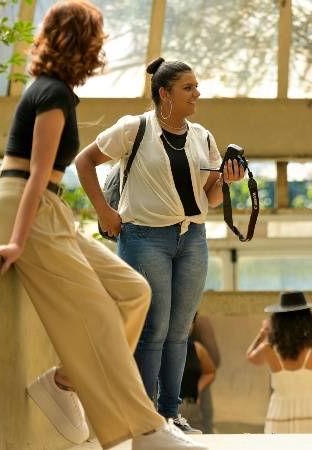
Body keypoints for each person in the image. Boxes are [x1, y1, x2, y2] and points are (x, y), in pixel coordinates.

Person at [0, 2, 205, 448]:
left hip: (46, 209)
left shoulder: (54, 90)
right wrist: (17, 242)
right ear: (82, 43)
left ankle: (63, 381)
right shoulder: (52, 93)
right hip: (27, 208)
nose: (101, 48)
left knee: (133, 292)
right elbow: (36, 173)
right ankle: (145, 430)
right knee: (99, 313)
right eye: (97, 39)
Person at [75, 57, 245, 433]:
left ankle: (170, 415)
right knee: (153, 329)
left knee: (179, 331)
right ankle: (144, 418)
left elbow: (211, 198)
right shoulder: (133, 128)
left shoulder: (203, 136)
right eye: (188, 88)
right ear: (164, 94)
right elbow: (84, 161)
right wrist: (104, 211)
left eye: (196, 87)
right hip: (144, 237)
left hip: (193, 238)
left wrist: (226, 181)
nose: (197, 93)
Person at [245, 291, 312, 434]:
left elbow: (250, 357)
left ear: (277, 321)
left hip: (280, 414)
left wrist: (261, 335)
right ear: (306, 320)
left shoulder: (268, 348)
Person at [178, 314, 217, 433]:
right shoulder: (159, 349)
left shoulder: (197, 348)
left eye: (190, 322)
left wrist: (198, 388)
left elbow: (210, 371)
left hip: (192, 409)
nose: (187, 326)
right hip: (167, 411)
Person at [190, 313, 221, 434]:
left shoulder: (197, 347)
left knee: (204, 430)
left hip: (196, 391)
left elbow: (212, 366)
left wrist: (197, 388)